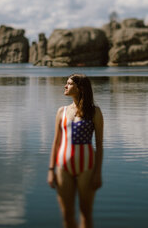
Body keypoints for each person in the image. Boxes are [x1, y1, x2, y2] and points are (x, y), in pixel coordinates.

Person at [48, 73, 104, 228]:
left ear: (80, 88)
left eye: (69, 83)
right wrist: (51, 169)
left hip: (87, 167)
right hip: (62, 167)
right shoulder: (62, 111)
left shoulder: (95, 112)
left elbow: (99, 145)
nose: (65, 86)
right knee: (67, 214)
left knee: (85, 213)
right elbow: (56, 142)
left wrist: (98, 173)